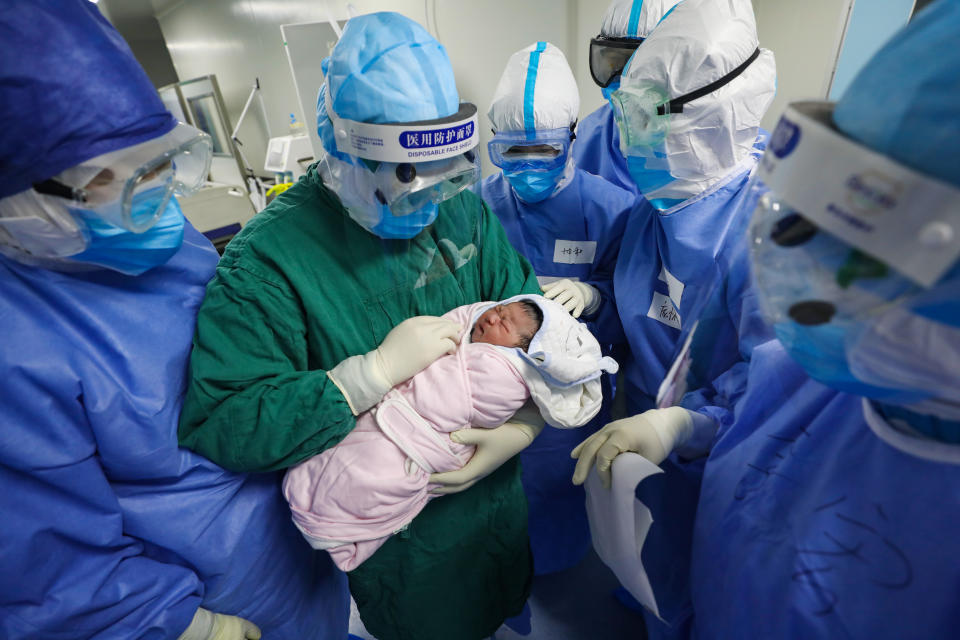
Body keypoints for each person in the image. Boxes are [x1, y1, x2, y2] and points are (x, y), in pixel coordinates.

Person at [578, 1, 960, 636]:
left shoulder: (753, 242)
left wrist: (685, 422)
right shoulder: (837, 369)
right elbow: (761, 395)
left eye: (874, 257)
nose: (829, 283)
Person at [177, 12, 545, 640]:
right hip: (396, 537)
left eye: (444, 182)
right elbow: (224, 422)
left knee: (500, 595)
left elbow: (530, 317)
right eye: (403, 189)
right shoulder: (269, 262)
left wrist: (524, 425)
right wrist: (361, 380)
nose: (428, 206)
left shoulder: (459, 211)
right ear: (344, 150)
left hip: (493, 505)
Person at [0, 1, 348, 639]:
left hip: (301, 541)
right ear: (20, 206)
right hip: (210, 593)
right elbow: (43, 566)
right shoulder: (17, 347)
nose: (157, 194)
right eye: (110, 180)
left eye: (159, 159)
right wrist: (186, 627)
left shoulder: (157, 235)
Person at [572, 0, 776, 636]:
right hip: (645, 438)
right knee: (646, 569)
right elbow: (630, 310)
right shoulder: (653, 212)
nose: (630, 145)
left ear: (717, 122)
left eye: (650, 124)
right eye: (627, 121)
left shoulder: (771, 234)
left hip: (731, 462)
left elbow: (778, 384)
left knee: (710, 592)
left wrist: (686, 423)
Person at [284, 295, 616, 572]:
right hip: (384, 417)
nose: (492, 318)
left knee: (379, 478)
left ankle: (339, 528)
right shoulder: (467, 327)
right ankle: (322, 508)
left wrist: (524, 427)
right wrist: (378, 372)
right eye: (497, 310)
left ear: (528, 352)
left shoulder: (505, 375)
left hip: (421, 442)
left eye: (505, 324)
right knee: (350, 454)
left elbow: (454, 401)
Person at [474, 41, 635, 576]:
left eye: (541, 151)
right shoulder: (477, 207)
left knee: (558, 492)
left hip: (571, 396)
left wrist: (595, 296)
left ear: (570, 139)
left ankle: (556, 570)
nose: (526, 168)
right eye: (511, 154)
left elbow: (629, 312)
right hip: (486, 389)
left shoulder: (611, 209)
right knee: (492, 499)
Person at [572, 0, 681, 195]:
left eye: (645, 68)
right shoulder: (584, 141)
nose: (625, 82)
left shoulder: (721, 141)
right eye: (615, 64)